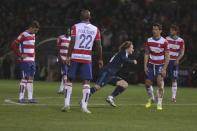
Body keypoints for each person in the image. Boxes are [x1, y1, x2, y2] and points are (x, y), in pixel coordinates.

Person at [62, 10, 103, 113]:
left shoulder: (75, 27)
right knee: (86, 82)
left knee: (69, 80)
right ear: (90, 17)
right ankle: (84, 107)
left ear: (80, 17)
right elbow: (99, 45)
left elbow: (72, 42)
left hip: (75, 56)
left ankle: (67, 104)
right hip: (86, 58)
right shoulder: (95, 29)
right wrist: (100, 58)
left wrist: (68, 56)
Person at [90, 41, 137, 107]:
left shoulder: (123, 54)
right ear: (127, 48)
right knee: (97, 87)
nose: (133, 49)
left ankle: (110, 97)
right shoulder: (123, 52)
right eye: (132, 48)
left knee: (124, 84)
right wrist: (133, 61)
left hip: (111, 75)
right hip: (106, 73)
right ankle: (84, 100)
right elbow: (124, 59)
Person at [11, 20, 40, 103]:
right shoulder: (23, 34)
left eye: (37, 30)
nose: (36, 32)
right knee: (25, 78)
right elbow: (13, 45)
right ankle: (21, 97)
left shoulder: (33, 35)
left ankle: (30, 98)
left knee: (31, 79)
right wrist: (20, 55)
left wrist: (34, 55)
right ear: (31, 27)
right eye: (35, 30)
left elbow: (32, 47)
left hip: (32, 60)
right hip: (25, 61)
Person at [144, 23, 169, 110]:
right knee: (147, 84)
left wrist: (164, 69)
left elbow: (167, 56)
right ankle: (152, 99)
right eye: (153, 29)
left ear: (160, 31)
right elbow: (147, 53)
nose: (154, 31)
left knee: (159, 83)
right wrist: (145, 66)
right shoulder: (149, 40)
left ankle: (159, 103)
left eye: (156, 29)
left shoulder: (164, 41)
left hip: (160, 65)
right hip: (151, 65)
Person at [166, 24, 185, 102]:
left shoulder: (181, 41)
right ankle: (159, 95)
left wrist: (178, 60)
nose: (170, 31)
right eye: (170, 30)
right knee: (161, 78)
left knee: (174, 79)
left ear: (176, 31)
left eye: (172, 30)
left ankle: (173, 97)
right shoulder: (166, 39)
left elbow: (182, 52)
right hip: (166, 61)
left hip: (174, 62)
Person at [56, 28, 71, 94]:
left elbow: (71, 49)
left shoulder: (70, 39)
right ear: (65, 31)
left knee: (65, 73)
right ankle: (65, 89)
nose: (68, 32)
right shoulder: (60, 38)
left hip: (68, 59)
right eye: (67, 31)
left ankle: (61, 89)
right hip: (62, 58)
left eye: (69, 31)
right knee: (65, 73)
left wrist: (69, 58)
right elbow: (58, 48)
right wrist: (60, 58)